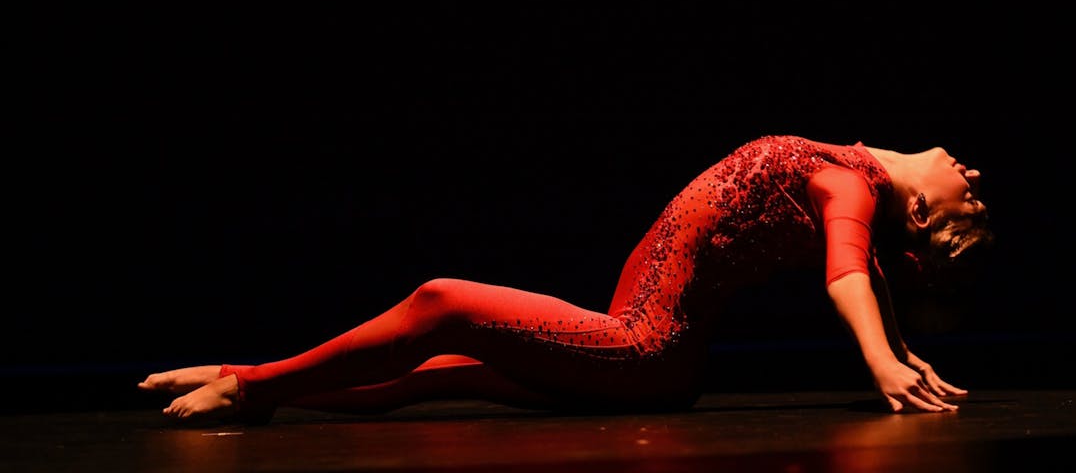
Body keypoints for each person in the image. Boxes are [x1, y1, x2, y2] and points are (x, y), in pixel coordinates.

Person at [138, 134, 992, 423]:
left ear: (921, 216)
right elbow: (869, 274)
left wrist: (883, 363)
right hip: (639, 347)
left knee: (441, 303)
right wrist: (901, 349)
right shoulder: (854, 167)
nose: (976, 180)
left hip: (643, 350)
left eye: (972, 206)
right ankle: (252, 379)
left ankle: (250, 389)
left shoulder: (850, 188)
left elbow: (848, 275)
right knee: (435, 375)